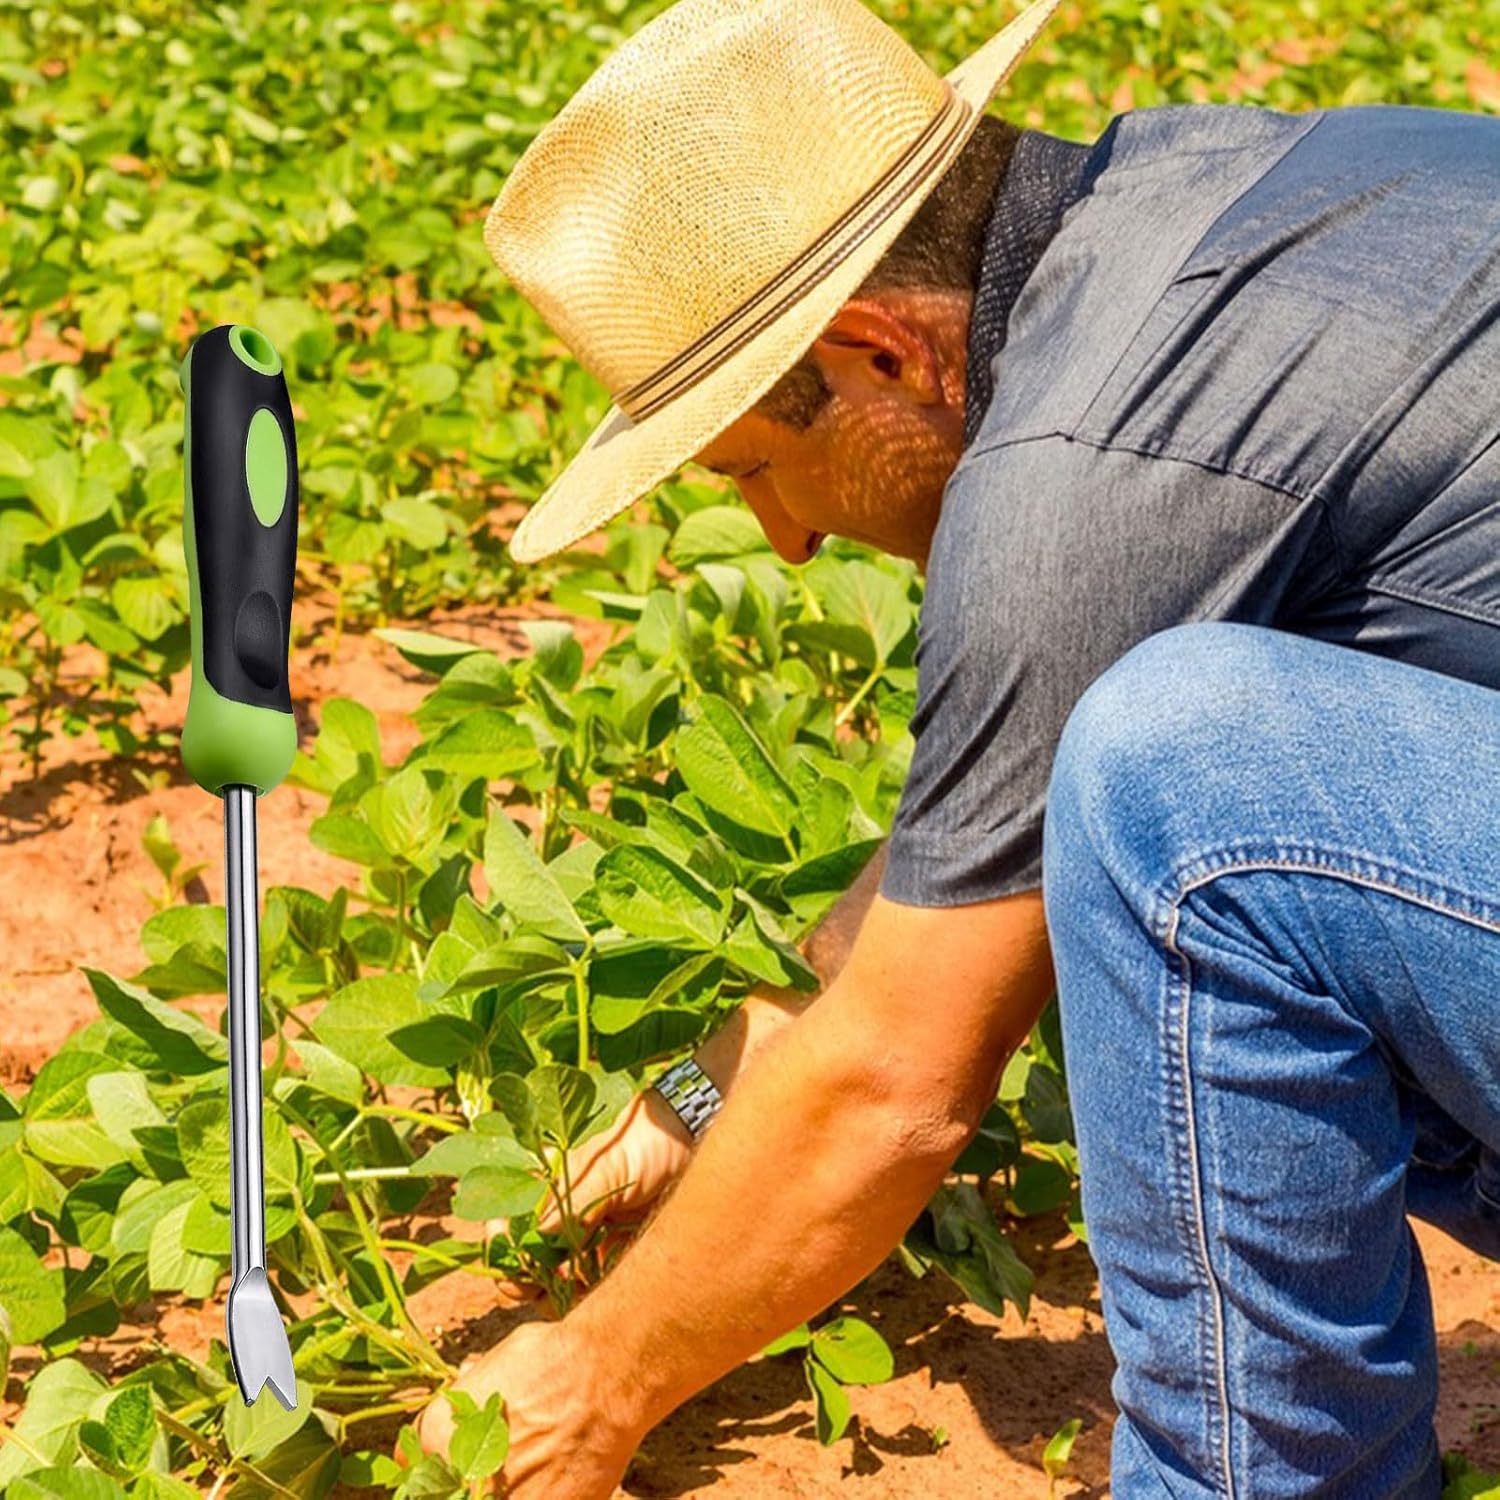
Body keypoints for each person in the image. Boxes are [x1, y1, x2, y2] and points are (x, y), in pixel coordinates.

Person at [416, 0, 1500, 1492]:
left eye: (754, 467)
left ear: (880, 354)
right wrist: (716, 1084)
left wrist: (590, 1386)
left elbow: (898, 1084)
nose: (784, 540)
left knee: (1176, 785)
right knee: (1147, 788)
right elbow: (984, 854)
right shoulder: (1253, 206)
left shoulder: (1076, 475)